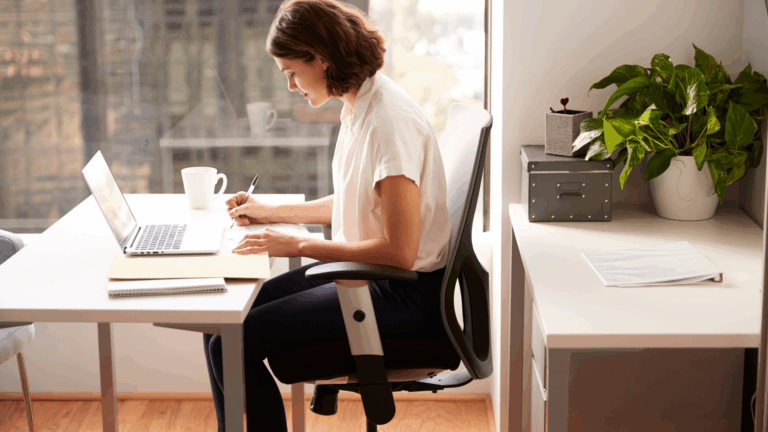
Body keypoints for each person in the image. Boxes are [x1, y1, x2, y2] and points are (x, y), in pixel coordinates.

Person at [202, 0, 451, 430]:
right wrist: (270, 213)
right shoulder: (362, 104)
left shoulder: (388, 122)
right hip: (369, 274)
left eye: (292, 73)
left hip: (401, 291)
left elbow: (400, 250)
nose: (290, 86)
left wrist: (297, 244)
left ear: (320, 58)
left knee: (233, 341)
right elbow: (358, 200)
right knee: (220, 323)